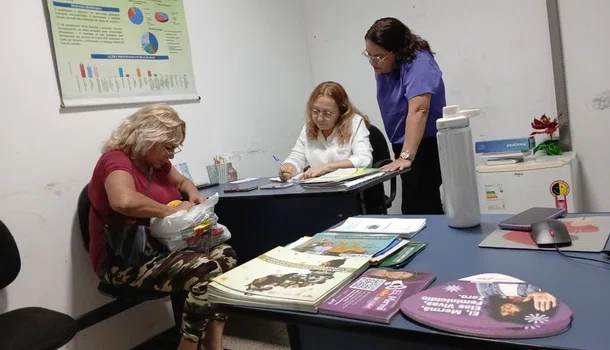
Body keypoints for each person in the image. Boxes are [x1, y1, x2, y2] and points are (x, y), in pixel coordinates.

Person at [87, 103, 237, 350]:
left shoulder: (157, 164)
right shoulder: (115, 160)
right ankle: (188, 346)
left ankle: (213, 345)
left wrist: (194, 196)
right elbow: (124, 200)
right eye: (168, 147)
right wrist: (170, 210)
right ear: (148, 139)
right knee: (205, 270)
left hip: (162, 246)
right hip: (125, 260)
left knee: (226, 256)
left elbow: (184, 181)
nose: (171, 155)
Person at [364, 17, 446, 215]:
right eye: (369, 55)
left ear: (397, 50)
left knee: (418, 207)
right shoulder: (387, 64)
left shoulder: (420, 62)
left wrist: (407, 156)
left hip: (424, 144)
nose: (373, 61)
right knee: (418, 206)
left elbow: (420, 110)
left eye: (379, 56)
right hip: (404, 144)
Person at [279, 81, 373, 181]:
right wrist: (289, 167)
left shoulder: (354, 123)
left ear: (341, 112)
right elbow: (297, 156)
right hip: (318, 189)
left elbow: (364, 159)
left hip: (349, 189)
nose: (319, 118)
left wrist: (327, 167)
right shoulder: (309, 126)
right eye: (315, 111)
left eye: (327, 113)